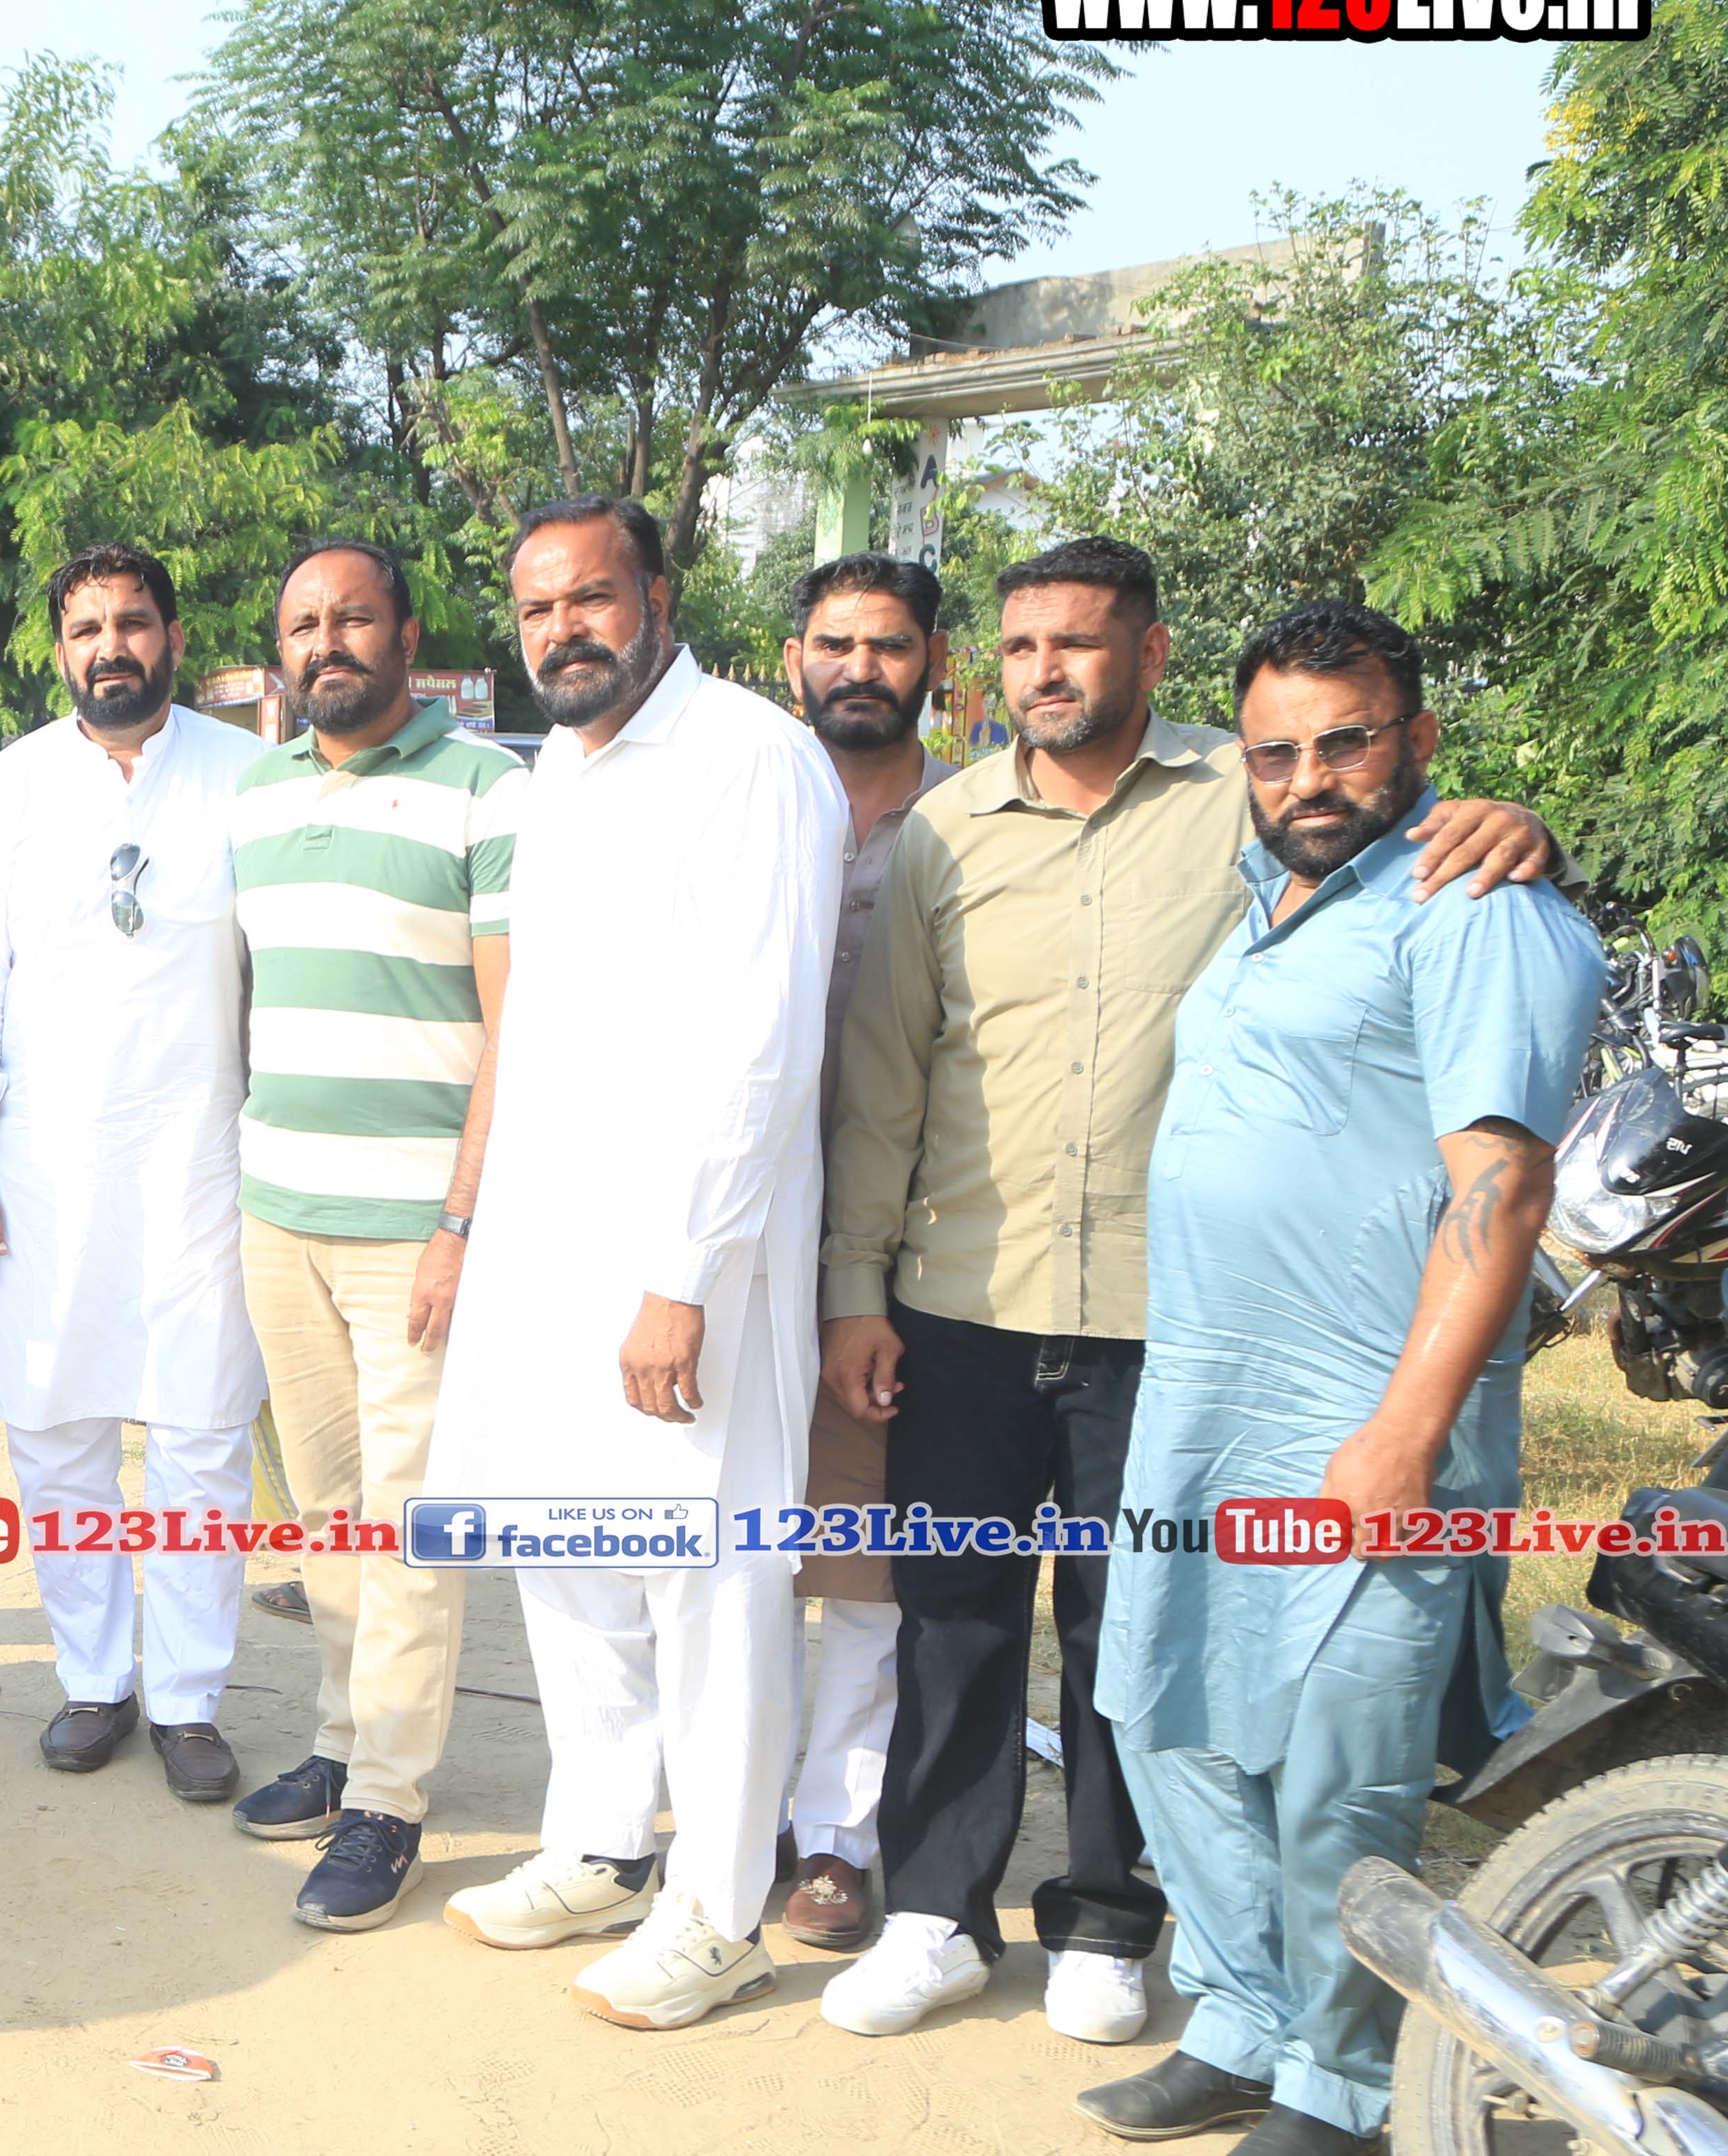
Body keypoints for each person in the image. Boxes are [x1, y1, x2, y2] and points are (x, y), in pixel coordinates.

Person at [815, 539, 1559, 2043]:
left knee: (1131, 1622)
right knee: (953, 1613)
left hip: (1171, 1323)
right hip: (967, 1296)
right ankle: (932, 1913)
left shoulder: (1248, 791)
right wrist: (856, 1286)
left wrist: (1510, 819)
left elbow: (1388, 836)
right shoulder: (951, 830)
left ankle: (1107, 1917)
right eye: (1023, 647)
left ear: (1148, 655)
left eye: (1080, 643)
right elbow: (888, 1075)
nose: (1046, 672)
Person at [1080, 603, 1601, 2156]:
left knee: (1337, 1765)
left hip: (1370, 1420)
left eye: (1344, 742)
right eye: (1274, 752)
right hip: (1202, 1406)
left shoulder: (1474, 907)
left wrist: (1403, 1431)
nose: (1305, 777)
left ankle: (1342, 2072)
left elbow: (1505, 1190)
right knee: (1163, 1712)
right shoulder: (1267, 902)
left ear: (1417, 742)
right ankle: (1240, 2014)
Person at [425, 497, 846, 2031]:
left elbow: (766, 1045)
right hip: (551, 1248)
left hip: (692, 1265)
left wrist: (683, 1277)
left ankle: (719, 1912)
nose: (564, 633)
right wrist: (484, 1231)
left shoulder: (750, 759)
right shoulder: (557, 769)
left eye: (591, 600)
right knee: (569, 1552)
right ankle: (602, 1845)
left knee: (709, 1580)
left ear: (659, 596)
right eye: (539, 609)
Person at [0, 542, 264, 1806]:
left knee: (200, 1433)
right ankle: (93, 1680)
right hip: (46, 1167)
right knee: (57, 1427)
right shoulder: (13, 784)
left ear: (172, 635)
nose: (110, 647)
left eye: (132, 623)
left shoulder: (246, 774)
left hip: (203, 1162)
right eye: (86, 629)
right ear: (59, 649)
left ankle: (187, 1698)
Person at [220, 540, 520, 1929]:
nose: (324, 643)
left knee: (406, 1528)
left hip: (416, 1230)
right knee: (329, 1514)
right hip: (281, 1215)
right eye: (302, 624)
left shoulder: (489, 790)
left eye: (351, 619)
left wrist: (463, 1221)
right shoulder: (256, 794)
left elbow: (518, 1029)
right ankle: (343, 1745)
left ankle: (391, 1801)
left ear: (406, 634)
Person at [754, 552, 963, 1954]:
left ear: (934, 663)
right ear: (795, 659)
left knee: (865, 1558)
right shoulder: (747, 802)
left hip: (901, 1245)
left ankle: (837, 1838)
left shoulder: (976, 821)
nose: (861, 669)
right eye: (836, 643)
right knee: (740, 1547)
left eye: (889, 646)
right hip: (738, 1237)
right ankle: (739, 1809)